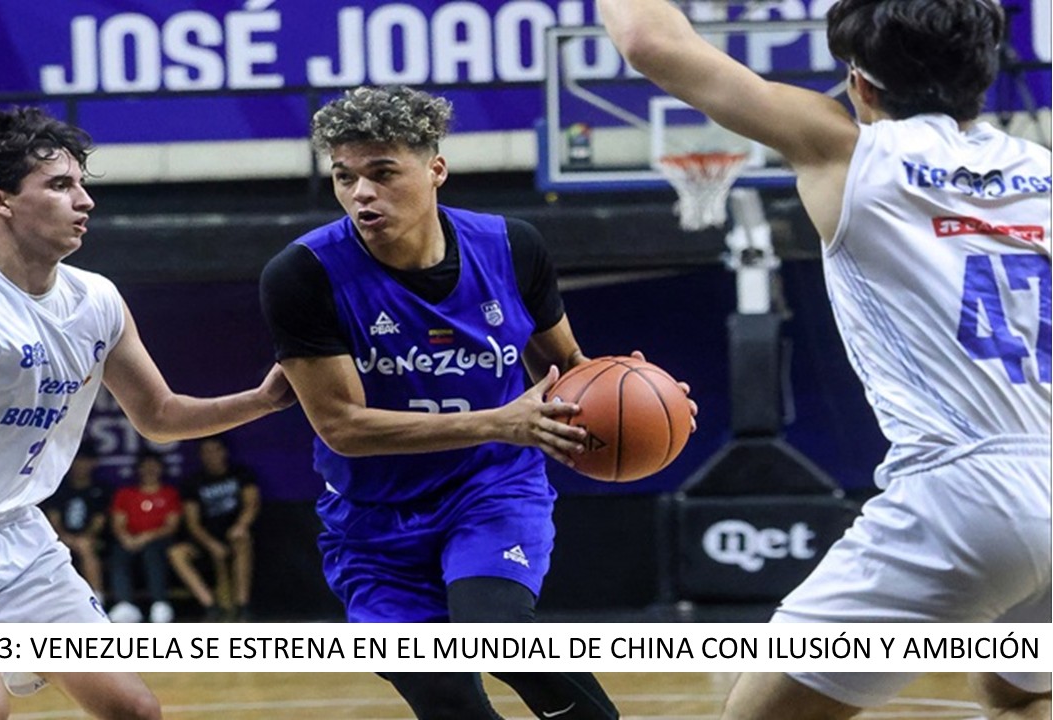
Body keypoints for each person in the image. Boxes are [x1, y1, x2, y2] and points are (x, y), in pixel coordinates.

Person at [597, 0, 1051, 718]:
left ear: (859, 85)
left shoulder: (848, 148)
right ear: (984, 74)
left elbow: (652, 40)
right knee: (1017, 691)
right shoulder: (1043, 169)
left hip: (964, 495)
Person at [0, 106, 295, 720]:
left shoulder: (98, 300)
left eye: (83, 184)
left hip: (18, 537)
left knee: (134, 710)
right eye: (60, 185)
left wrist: (264, 400)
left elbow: (159, 415)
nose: (84, 201)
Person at [260, 85, 694, 720]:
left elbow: (567, 368)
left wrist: (650, 396)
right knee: (445, 700)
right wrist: (500, 420)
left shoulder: (512, 248)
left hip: (489, 487)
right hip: (371, 519)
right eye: (345, 176)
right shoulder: (302, 274)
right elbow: (342, 427)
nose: (361, 194)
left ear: (435, 168)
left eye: (383, 173)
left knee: (505, 638)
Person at [168, 434, 261, 621]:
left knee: (241, 539)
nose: (211, 455)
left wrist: (241, 526)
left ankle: (242, 605)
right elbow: (192, 523)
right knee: (176, 553)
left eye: (214, 450)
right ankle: (210, 605)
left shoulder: (241, 474)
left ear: (224, 452)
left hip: (233, 533)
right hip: (205, 539)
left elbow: (252, 504)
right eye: (206, 452)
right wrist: (211, 545)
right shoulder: (193, 482)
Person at [106, 448, 182, 623]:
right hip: (130, 539)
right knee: (119, 553)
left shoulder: (169, 493)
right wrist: (126, 538)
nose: (150, 470)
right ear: (138, 469)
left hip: (158, 540)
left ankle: (159, 604)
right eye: (145, 466)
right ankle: (124, 604)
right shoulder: (125, 493)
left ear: (161, 469)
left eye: (154, 466)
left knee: (153, 553)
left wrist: (146, 537)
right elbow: (118, 522)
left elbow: (171, 526)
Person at [43, 439, 109, 600]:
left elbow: (99, 521)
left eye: (86, 461)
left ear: (93, 463)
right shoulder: (59, 488)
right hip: (60, 536)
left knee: (85, 547)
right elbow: (53, 519)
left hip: (90, 538)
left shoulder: (99, 489)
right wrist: (64, 537)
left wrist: (85, 537)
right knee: (50, 551)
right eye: (78, 460)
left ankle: (97, 596)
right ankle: (51, 600)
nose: (81, 465)